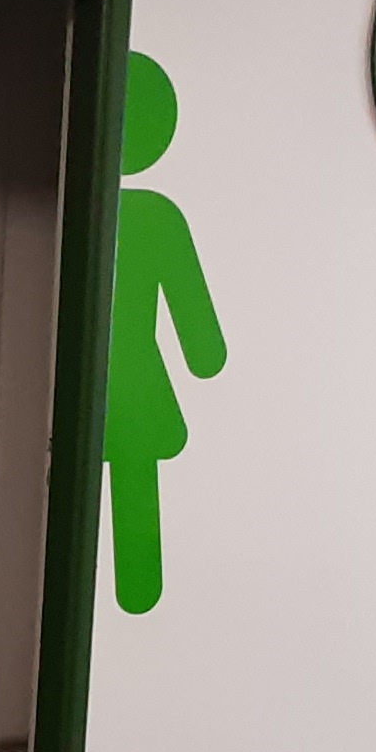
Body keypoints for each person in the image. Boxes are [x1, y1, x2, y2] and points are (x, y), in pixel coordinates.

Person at [106, 51, 225, 615]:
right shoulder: (158, 216)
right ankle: (136, 595)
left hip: (84, 382)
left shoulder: (76, 211)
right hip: (140, 380)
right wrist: (203, 358)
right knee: (135, 478)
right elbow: (202, 338)